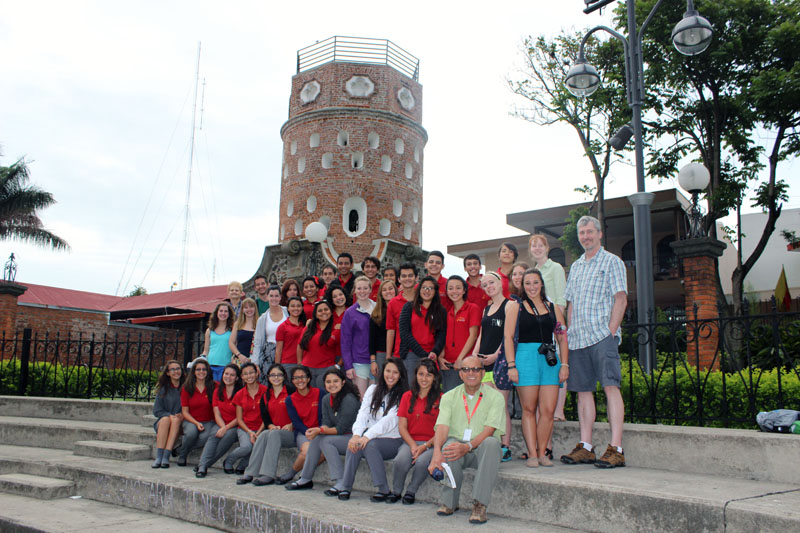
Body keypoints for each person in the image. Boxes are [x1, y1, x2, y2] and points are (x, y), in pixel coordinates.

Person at [560, 215, 627, 469]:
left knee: (611, 387)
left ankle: (616, 448)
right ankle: (586, 446)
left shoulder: (612, 262)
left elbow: (620, 299)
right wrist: (571, 331)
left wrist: (610, 331)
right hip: (578, 340)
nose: (585, 236)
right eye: (582, 233)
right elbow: (571, 304)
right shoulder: (575, 266)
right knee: (583, 392)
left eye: (590, 232)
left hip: (602, 336)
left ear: (599, 234)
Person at [428, 355, 506, 525]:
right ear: (460, 374)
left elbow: (490, 430)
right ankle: (449, 502)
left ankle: (480, 504)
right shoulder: (449, 397)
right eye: (466, 369)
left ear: (482, 373)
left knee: (492, 443)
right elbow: (441, 427)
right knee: (449, 445)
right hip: (459, 446)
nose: (471, 373)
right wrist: (436, 454)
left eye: (476, 369)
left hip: (482, 450)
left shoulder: (495, 397)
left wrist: (468, 446)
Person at [504, 269, 569, 467]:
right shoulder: (517, 307)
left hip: (549, 360)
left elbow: (562, 336)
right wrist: (511, 365)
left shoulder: (553, 308)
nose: (532, 287)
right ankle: (532, 453)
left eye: (535, 282)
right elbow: (507, 337)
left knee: (548, 410)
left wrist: (564, 364)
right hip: (525, 358)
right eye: (527, 283)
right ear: (522, 286)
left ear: (542, 284)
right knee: (529, 408)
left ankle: (543, 453)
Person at [330, 357, 408, 501]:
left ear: (401, 375)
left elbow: (390, 420)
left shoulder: (403, 395)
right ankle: (346, 486)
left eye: (395, 372)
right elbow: (363, 413)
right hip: (372, 437)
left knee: (369, 445)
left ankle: (383, 488)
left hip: (392, 439)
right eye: (388, 371)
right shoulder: (373, 389)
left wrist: (367, 436)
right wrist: (357, 434)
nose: (390, 375)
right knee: (354, 444)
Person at [285, 367, 361, 492]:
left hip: (353, 438)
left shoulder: (349, 399)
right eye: (328, 382)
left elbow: (341, 429)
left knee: (325, 440)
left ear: (343, 382)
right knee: (318, 438)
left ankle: (341, 481)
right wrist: (318, 430)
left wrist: (320, 431)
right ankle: (305, 478)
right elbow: (326, 423)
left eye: (335, 381)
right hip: (339, 436)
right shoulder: (326, 399)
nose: (332, 385)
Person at [529, 234, 569, 450]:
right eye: (533, 246)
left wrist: (556, 323)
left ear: (546, 247)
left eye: (540, 245)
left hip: (552, 321)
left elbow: (560, 300)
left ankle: (559, 408)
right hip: (536, 325)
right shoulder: (533, 271)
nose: (536, 248)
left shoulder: (555, 269)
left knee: (558, 362)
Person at [473, 272, 514, 462]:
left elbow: (509, 335)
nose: (489, 286)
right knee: (487, 406)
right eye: (485, 285)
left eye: (491, 282)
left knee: (501, 405)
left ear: (500, 283)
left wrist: (496, 355)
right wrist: (475, 355)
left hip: (500, 363)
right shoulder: (486, 309)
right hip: (484, 364)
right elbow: (482, 334)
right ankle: (490, 443)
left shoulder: (510, 305)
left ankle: (506, 446)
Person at [391, 359, 441, 504]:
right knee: (400, 460)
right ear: (415, 375)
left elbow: (442, 430)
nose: (424, 379)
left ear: (435, 378)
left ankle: (411, 490)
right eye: (421, 374)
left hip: (432, 443)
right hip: (410, 441)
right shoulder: (407, 396)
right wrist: (413, 446)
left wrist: (425, 446)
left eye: (428, 375)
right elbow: (402, 427)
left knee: (422, 462)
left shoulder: (442, 398)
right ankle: (396, 490)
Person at [236, 363, 294, 485]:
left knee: (273, 434)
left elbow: (301, 413)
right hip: (276, 432)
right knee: (264, 435)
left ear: (284, 376)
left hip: (291, 433)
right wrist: (271, 426)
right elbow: (266, 419)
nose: (276, 377)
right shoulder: (266, 396)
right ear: (268, 377)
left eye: (279, 375)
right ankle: (250, 472)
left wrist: (291, 424)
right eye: (273, 375)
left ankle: (268, 474)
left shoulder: (291, 392)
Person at [196, 363, 243, 477]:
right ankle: (202, 466)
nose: (228, 377)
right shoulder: (217, 391)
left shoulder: (241, 393)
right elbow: (216, 413)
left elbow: (239, 418)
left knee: (227, 437)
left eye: (232, 375)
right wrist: (222, 427)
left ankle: (204, 465)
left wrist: (226, 428)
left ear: (237, 378)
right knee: (213, 435)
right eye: (226, 374)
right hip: (221, 422)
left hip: (236, 425)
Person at [398, 276, 447, 379]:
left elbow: (441, 335)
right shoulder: (409, 307)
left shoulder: (441, 311)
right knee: (412, 389)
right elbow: (404, 334)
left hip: (431, 356)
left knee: (431, 389)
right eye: (424, 287)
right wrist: (423, 354)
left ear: (435, 291)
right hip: (411, 354)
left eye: (430, 288)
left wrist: (435, 352)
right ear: (419, 289)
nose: (427, 291)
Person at [440, 276, 481, 392]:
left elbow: (473, 336)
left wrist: (460, 359)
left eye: (458, 288)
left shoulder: (472, 308)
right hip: (448, 365)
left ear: (464, 290)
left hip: (466, 363)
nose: (454, 291)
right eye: (450, 288)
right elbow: (443, 337)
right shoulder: (447, 312)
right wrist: (440, 357)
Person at [176, 358, 216, 467]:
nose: (201, 372)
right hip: (191, 420)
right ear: (194, 371)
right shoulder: (187, 387)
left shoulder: (214, 386)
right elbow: (185, 412)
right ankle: (183, 455)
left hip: (208, 421)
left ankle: (180, 449)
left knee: (206, 437)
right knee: (191, 433)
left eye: (204, 369)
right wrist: (196, 423)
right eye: (198, 369)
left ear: (208, 371)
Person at [341, 276, 376, 397]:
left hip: (376, 360)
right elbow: (345, 341)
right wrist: (348, 366)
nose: (362, 291)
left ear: (370, 290)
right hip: (359, 361)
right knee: (362, 400)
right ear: (354, 291)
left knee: (376, 400)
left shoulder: (378, 308)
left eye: (365, 288)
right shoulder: (350, 313)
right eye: (359, 288)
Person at [229, 362, 267, 474]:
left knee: (259, 446)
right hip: (245, 428)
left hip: (262, 428)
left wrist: (259, 432)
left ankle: (242, 465)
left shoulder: (265, 391)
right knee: (247, 447)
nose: (249, 376)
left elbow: (267, 416)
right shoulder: (239, 394)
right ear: (242, 377)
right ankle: (229, 460)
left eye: (251, 373)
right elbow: (239, 419)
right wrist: (250, 432)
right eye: (245, 374)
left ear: (257, 374)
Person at [298, 300, 340, 388]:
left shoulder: (337, 329)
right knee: (310, 397)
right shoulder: (308, 328)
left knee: (323, 396)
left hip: (326, 369)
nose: (323, 312)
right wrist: (300, 366)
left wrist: (338, 366)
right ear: (316, 315)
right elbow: (300, 346)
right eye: (320, 311)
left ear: (331, 312)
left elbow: (345, 350)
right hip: (307, 369)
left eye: (326, 309)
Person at [152, 360, 184, 468]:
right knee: (166, 419)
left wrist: (182, 414)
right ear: (167, 373)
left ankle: (166, 456)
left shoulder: (186, 388)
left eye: (178, 369)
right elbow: (157, 410)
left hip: (178, 423)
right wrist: (169, 415)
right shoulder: (163, 389)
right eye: (173, 369)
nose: (176, 372)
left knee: (175, 420)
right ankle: (159, 456)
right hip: (163, 423)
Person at [252, 285, 288, 383]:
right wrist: (255, 362)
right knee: (269, 382)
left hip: (286, 351)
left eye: (276, 296)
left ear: (280, 297)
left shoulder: (287, 312)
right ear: (267, 297)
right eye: (271, 296)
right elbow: (258, 342)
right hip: (268, 355)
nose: (274, 298)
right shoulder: (262, 319)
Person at [386, 263, 418, 359]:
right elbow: (391, 330)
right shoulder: (393, 302)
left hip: (422, 352)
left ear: (416, 278)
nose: (407, 278)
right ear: (399, 279)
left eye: (410, 276)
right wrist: (388, 355)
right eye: (404, 276)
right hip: (400, 353)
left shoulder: (423, 300)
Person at [370, 280, 397, 380]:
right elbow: (372, 340)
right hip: (381, 354)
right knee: (381, 385)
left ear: (395, 290)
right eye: (384, 290)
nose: (388, 292)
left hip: (399, 353)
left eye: (390, 288)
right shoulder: (376, 314)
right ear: (381, 293)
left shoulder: (403, 309)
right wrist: (373, 361)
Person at [200, 302, 235, 381]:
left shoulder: (232, 330)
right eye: (221, 311)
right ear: (216, 313)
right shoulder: (209, 331)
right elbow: (206, 350)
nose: (223, 313)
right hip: (210, 366)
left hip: (226, 367)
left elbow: (234, 349)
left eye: (226, 311)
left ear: (229, 314)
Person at [275, 296, 305, 377]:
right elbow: (278, 350)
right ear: (288, 308)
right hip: (288, 364)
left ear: (302, 308)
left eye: (298, 306)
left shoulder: (305, 325)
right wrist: (277, 369)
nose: (296, 308)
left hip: (304, 363)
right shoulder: (282, 327)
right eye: (292, 306)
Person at [229, 298, 259, 365]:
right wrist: (239, 355)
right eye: (246, 307)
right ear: (242, 310)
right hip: (239, 360)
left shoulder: (259, 323)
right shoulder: (238, 324)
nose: (249, 309)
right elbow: (231, 342)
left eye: (251, 307)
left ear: (255, 308)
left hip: (254, 361)